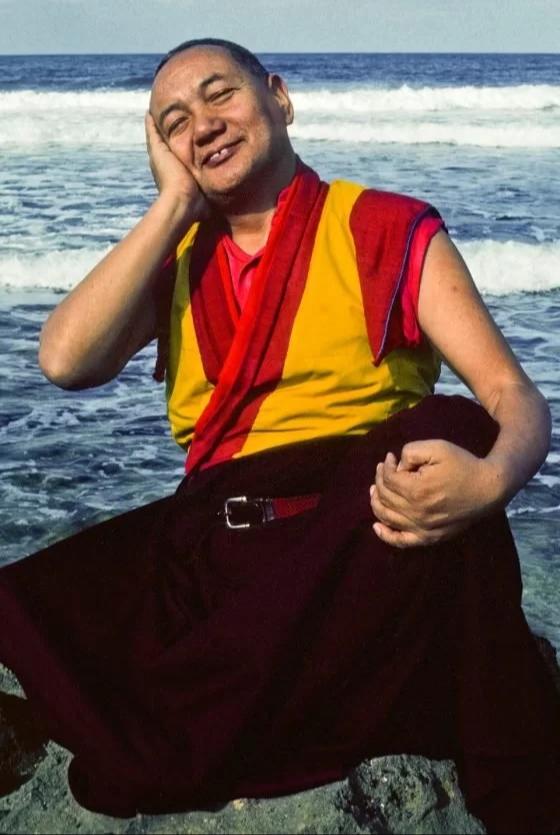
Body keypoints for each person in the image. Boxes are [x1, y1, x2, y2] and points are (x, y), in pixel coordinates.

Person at [0, 38, 558, 833]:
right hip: (215, 541)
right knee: (22, 602)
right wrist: (172, 207)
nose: (203, 125)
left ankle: (181, 724)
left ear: (279, 97)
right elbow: (64, 360)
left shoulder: (383, 225)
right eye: (174, 122)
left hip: (354, 528)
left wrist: (490, 480)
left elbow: (511, 395)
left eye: (219, 95)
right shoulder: (178, 259)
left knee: (454, 425)